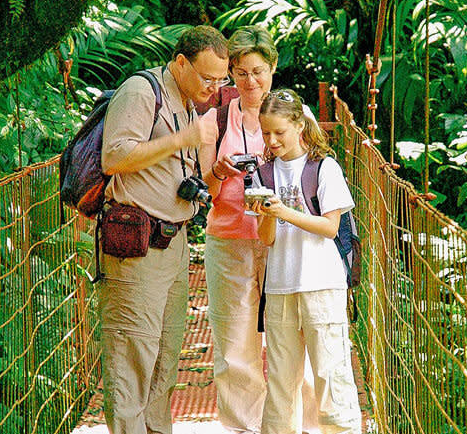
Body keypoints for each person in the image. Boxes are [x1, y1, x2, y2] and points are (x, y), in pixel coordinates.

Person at [99, 24, 229, 434]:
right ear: (180, 63)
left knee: (164, 356)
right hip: (135, 245)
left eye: (220, 79)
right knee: (131, 357)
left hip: (171, 243)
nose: (213, 87)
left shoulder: (187, 100)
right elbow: (114, 157)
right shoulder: (141, 91)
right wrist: (183, 138)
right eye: (207, 77)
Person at [197, 26, 319, 433]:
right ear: (230, 72)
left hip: (284, 241)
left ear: (273, 68)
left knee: (293, 340)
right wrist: (218, 171)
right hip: (229, 240)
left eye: (259, 71)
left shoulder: (298, 118)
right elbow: (203, 189)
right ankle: (244, 428)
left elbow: (319, 180)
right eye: (241, 72)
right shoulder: (215, 118)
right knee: (234, 346)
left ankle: (302, 426)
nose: (251, 82)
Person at [249, 89, 362, 434]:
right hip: (281, 285)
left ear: (299, 126)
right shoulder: (263, 174)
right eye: (266, 132)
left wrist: (284, 210)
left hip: (322, 284)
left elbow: (330, 227)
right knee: (281, 381)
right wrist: (267, 214)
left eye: (279, 132)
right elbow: (267, 238)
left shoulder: (324, 168)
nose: (272, 140)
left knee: (331, 374)